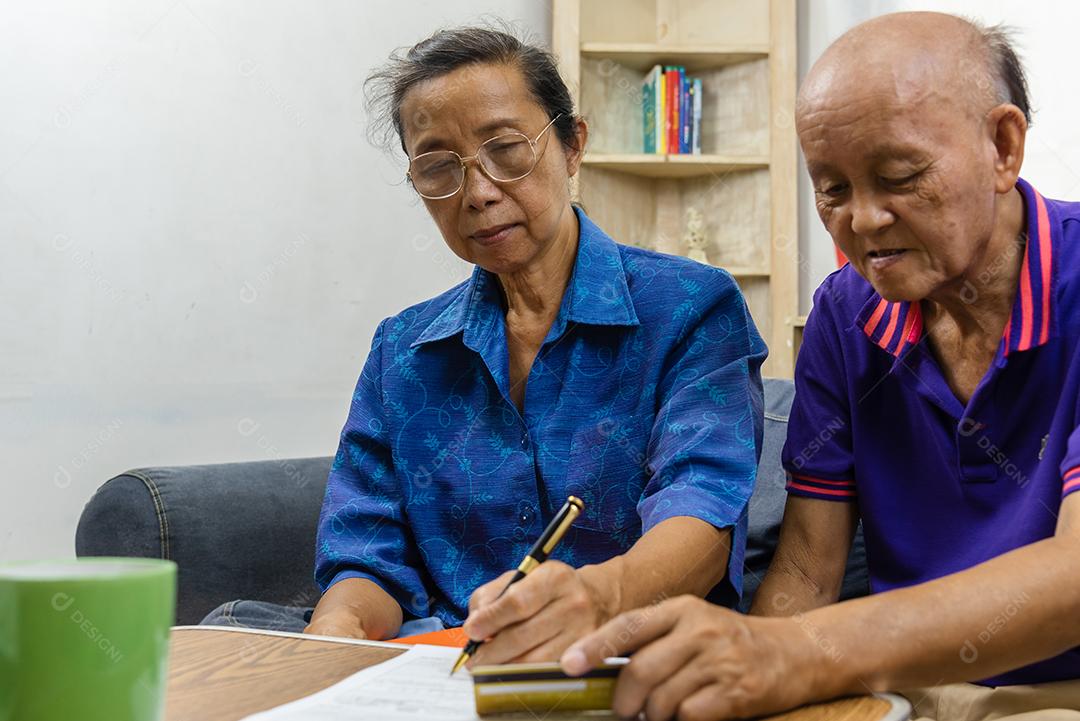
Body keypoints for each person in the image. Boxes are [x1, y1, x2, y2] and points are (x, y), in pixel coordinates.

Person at [559, 12, 1080, 721]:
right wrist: (739, 672)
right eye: (831, 189)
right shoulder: (845, 315)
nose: (862, 221)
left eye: (899, 176)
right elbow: (807, 566)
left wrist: (798, 654)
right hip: (905, 690)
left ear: (1002, 145)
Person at [203, 27, 767, 666]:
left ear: (571, 145)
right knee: (231, 634)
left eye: (505, 150)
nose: (477, 193)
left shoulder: (691, 307)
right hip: (441, 668)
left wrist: (595, 599)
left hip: (627, 659)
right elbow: (368, 555)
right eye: (439, 167)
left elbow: (701, 511)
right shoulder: (403, 350)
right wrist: (338, 632)